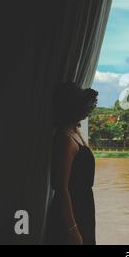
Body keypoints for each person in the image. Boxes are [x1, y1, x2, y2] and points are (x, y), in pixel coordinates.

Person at [45, 82, 98, 245]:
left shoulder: (75, 132)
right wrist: (72, 229)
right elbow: (61, 188)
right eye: (83, 105)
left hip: (83, 207)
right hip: (71, 212)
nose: (87, 109)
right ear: (72, 108)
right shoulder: (65, 139)